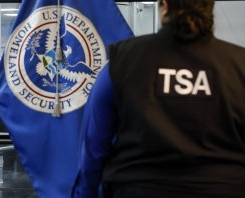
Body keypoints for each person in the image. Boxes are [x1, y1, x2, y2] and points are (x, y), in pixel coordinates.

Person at [72, 0, 245, 197]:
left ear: (163, 5)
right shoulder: (239, 66)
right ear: (210, 6)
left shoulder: (120, 63)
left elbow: (93, 154)